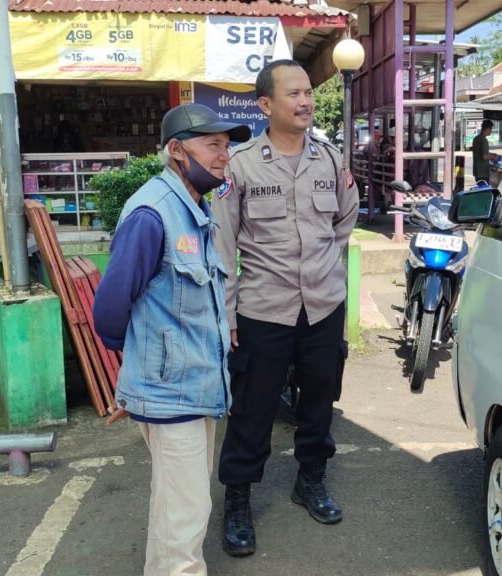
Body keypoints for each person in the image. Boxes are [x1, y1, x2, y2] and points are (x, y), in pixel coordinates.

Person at [92, 103, 251, 575]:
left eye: (227, 145)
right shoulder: (152, 213)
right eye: (212, 144)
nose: (224, 156)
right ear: (177, 151)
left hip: (195, 388)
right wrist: (140, 375)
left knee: (181, 511)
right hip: (169, 391)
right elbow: (108, 312)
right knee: (183, 519)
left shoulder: (194, 209)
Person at [212, 59, 359, 558]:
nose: (305, 101)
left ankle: (310, 481)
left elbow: (344, 222)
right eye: (293, 93)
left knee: (320, 398)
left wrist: (323, 270)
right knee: (253, 408)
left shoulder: (331, 159)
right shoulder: (241, 165)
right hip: (263, 310)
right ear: (265, 105)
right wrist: (228, 315)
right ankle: (237, 500)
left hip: (322, 306)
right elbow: (222, 246)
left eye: (308, 93)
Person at [472, 119, 499, 184]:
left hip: (477, 171)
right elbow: (484, 156)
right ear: (487, 129)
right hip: (483, 172)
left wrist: (492, 154)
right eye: (491, 129)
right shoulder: (484, 140)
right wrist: (494, 157)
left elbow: (481, 152)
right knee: (484, 190)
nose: (491, 131)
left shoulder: (476, 138)